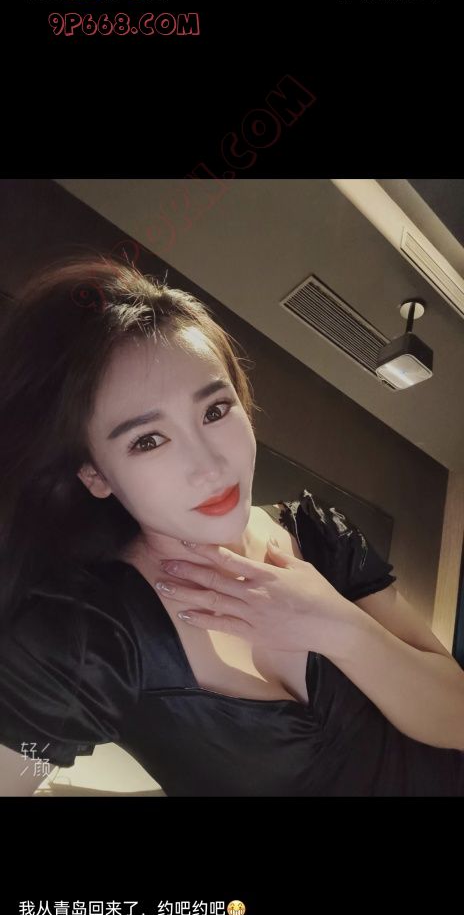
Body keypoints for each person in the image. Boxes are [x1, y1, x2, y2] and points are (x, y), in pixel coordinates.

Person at [1, 254, 463, 797]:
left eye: (215, 410)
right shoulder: (85, 638)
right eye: (147, 440)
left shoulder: (316, 532)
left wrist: (339, 627)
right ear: (96, 474)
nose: (211, 466)